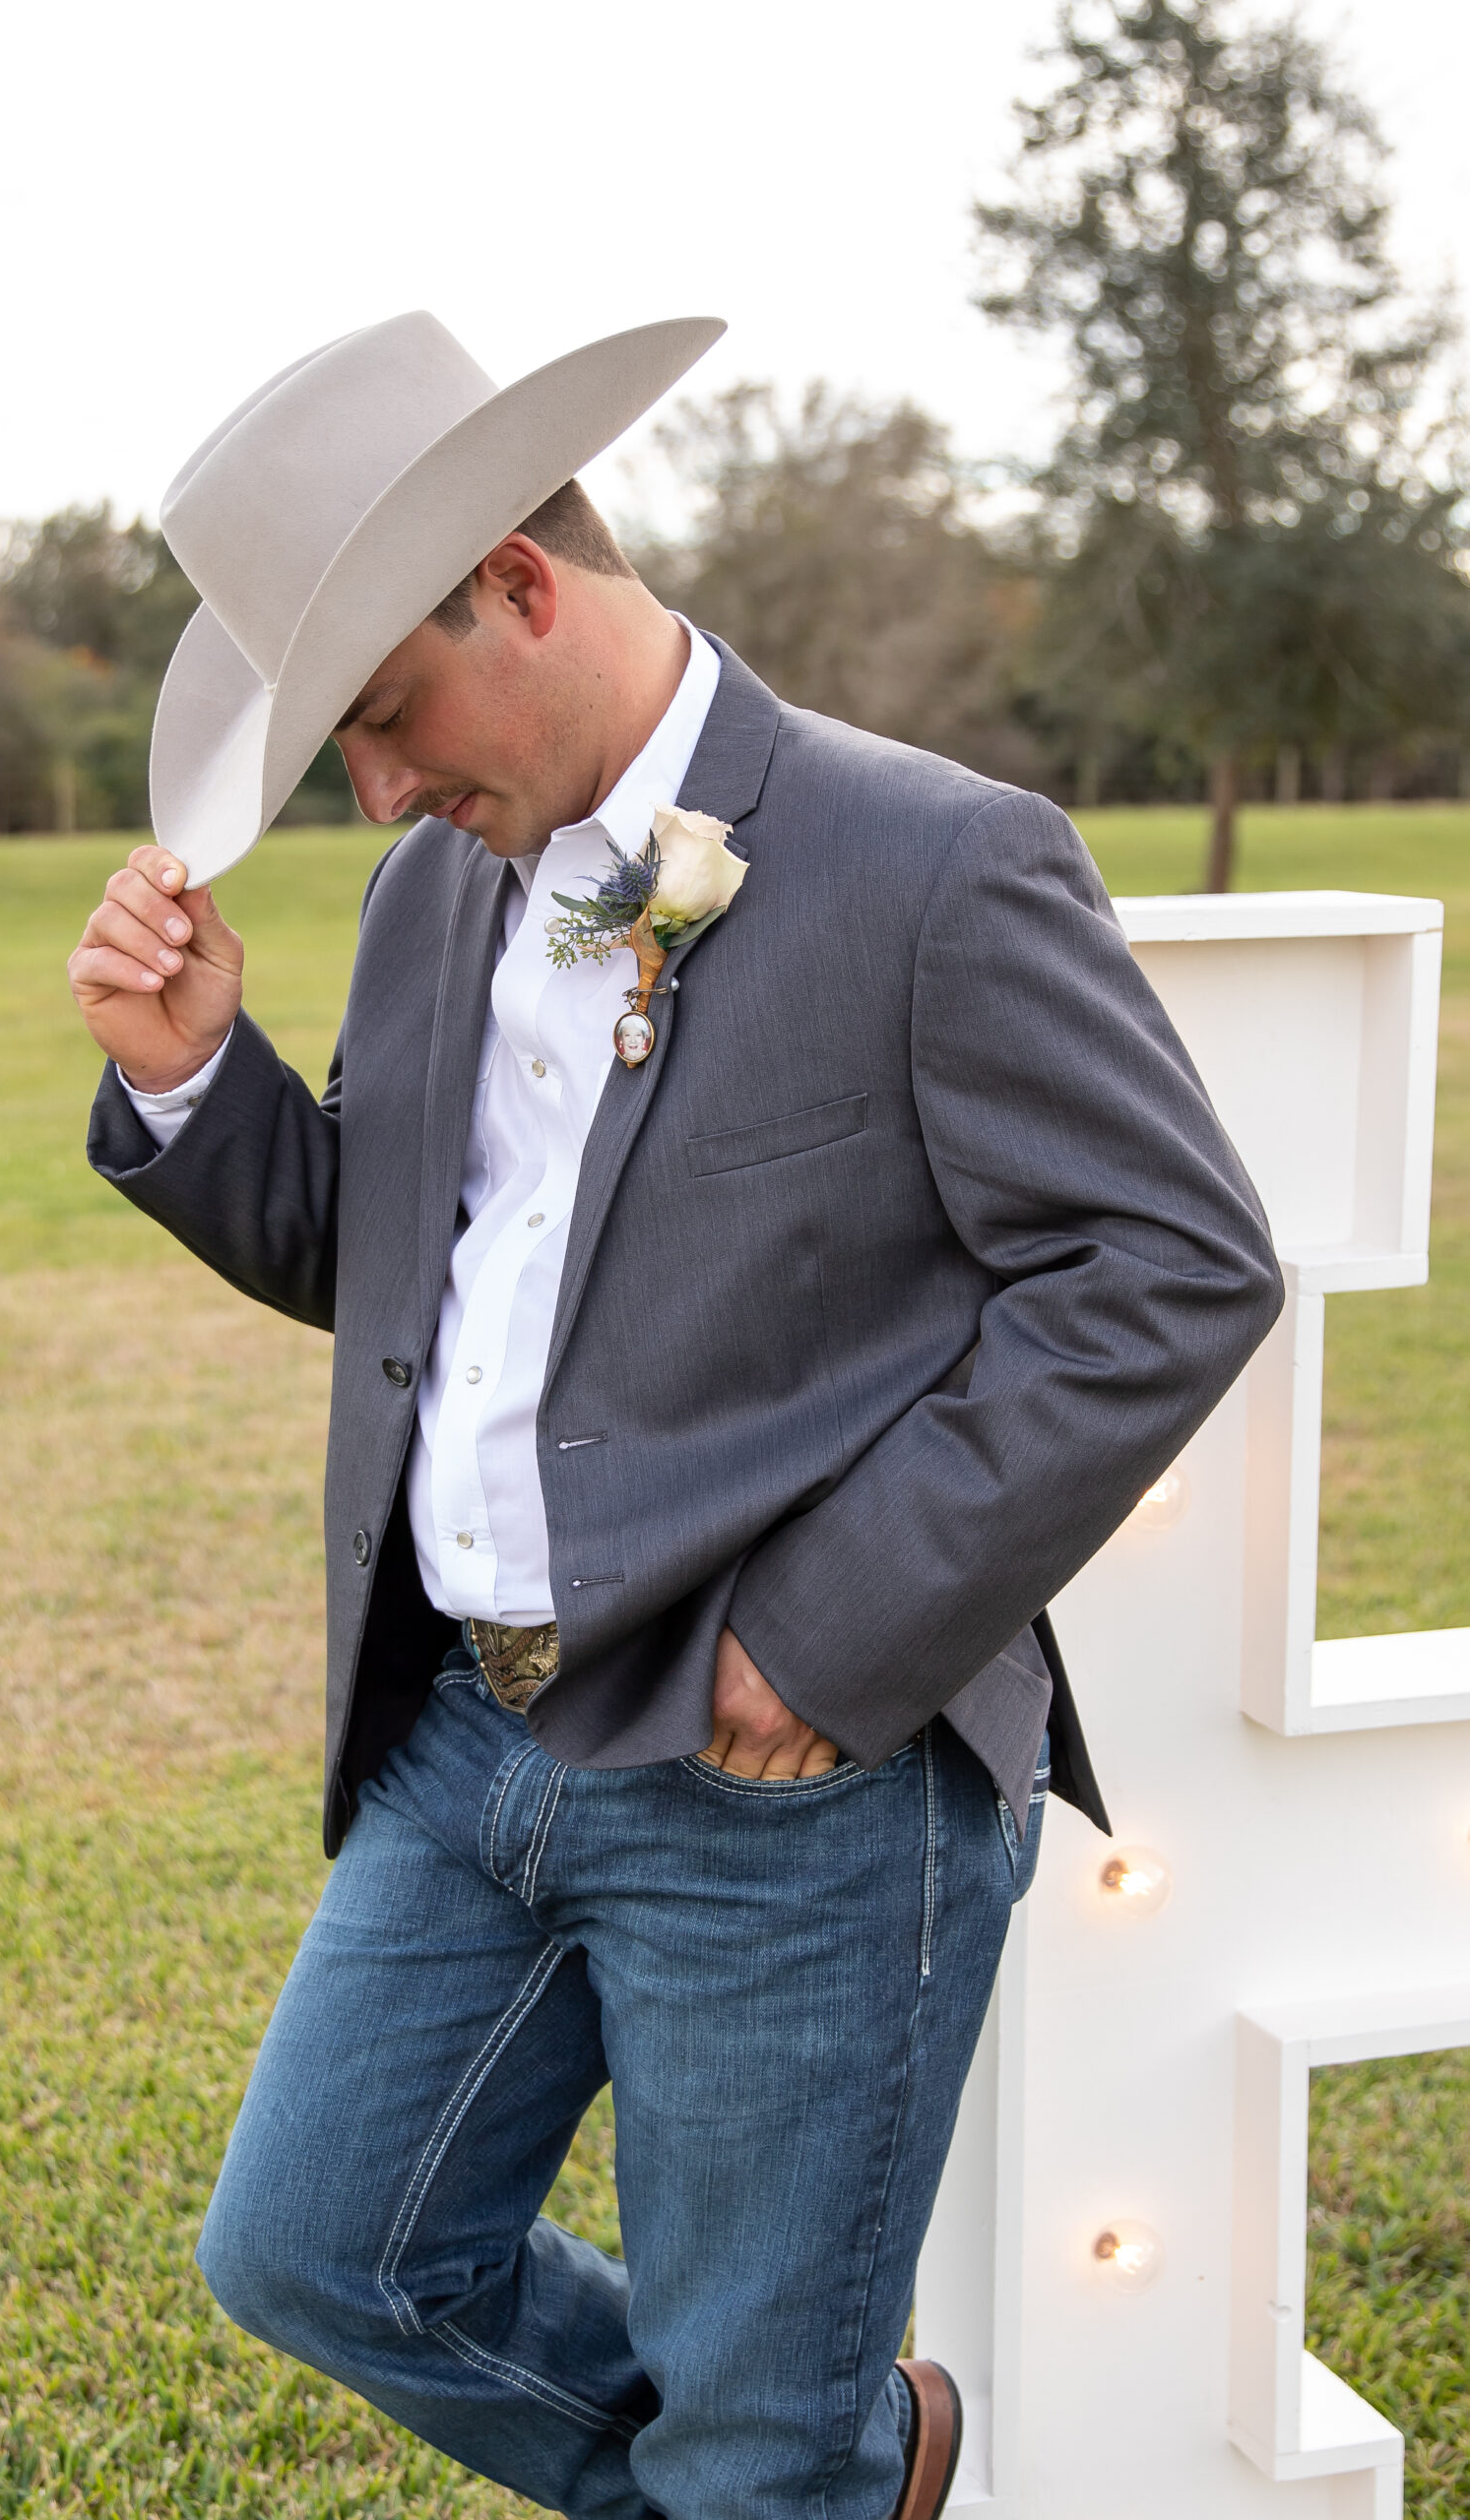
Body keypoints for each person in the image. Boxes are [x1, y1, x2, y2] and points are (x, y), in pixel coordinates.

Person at [70, 312, 1284, 2520]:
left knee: (749, 2438)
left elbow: (1170, 1261)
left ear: (520, 585)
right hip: (463, 1746)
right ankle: (821, 2469)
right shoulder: (432, 885)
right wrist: (188, 1076)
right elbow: (401, 1275)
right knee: (320, 2251)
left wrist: (829, 1632)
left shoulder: (939, 862)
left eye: (383, 718)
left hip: (790, 1790)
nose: (376, 789)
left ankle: (786, 2463)